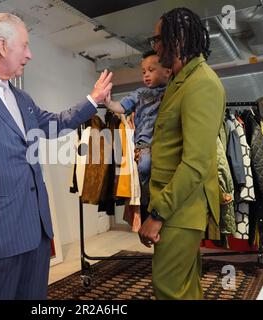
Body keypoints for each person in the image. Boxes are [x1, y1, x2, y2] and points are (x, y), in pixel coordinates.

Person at [0, 13, 112, 300]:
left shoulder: (23, 99)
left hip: (36, 235)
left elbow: (55, 124)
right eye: (24, 46)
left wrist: (93, 101)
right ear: (2, 46)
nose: (30, 54)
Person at [138, 7, 226, 299]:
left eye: (158, 39)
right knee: (185, 289)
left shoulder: (202, 83)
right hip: (174, 203)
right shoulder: (180, 80)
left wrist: (157, 214)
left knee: (168, 289)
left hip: (179, 209)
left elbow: (196, 162)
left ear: (177, 39)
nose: (155, 47)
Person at [104, 51, 171, 211]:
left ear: (167, 72)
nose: (146, 75)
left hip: (163, 144)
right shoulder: (140, 93)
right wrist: (108, 103)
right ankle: (146, 199)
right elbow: (121, 107)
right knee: (145, 166)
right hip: (144, 144)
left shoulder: (171, 92)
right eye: (143, 72)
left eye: (151, 70)